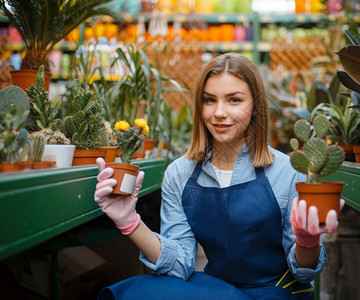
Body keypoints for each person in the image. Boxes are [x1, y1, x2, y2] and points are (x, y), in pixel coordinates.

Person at [94, 53, 343, 299]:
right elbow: (179, 265)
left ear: (255, 104)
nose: (219, 113)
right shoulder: (180, 174)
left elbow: (304, 273)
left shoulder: (286, 171)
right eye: (209, 100)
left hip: (279, 292)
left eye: (234, 100)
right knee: (138, 291)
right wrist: (130, 222)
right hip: (219, 290)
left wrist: (307, 241)